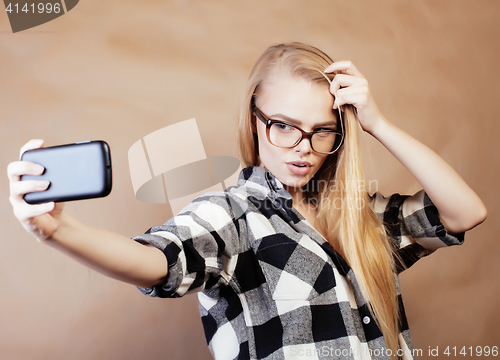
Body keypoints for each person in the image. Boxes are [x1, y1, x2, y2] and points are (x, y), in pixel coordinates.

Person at [7, 43, 486, 360]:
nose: (303, 146)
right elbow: (157, 261)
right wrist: (56, 231)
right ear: (256, 121)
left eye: (322, 130)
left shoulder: (358, 215)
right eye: (285, 125)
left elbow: (465, 213)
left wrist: (377, 124)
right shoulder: (232, 216)